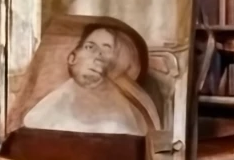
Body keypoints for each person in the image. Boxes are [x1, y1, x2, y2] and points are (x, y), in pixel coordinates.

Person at [22, 24, 157, 135]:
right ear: (72, 58)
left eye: (107, 50)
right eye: (90, 47)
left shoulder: (120, 120)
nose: (97, 56)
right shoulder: (52, 103)